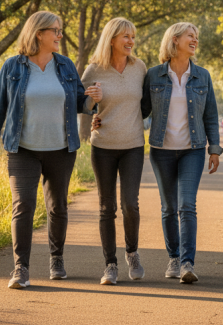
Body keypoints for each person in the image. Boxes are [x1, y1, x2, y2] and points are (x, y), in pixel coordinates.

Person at [0, 11, 102, 289]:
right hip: (22, 149)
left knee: (57, 206)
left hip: (61, 148)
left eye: (61, 30)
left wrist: (92, 100)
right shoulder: (13, 67)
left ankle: (56, 259)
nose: (60, 35)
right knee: (23, 205)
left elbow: (78, 103)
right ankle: (20, 268)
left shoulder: (66, 66)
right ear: (39, 33)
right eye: (55, 31)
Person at [141, 22, 223, 284]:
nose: (195, 40)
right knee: (168, 207)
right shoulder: (154, 75)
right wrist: (103, 116)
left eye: (196, 36)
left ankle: (187, 262)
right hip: (161, 150)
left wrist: (214, 149)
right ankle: (174, 258)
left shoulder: (202, 76)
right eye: (190, 35)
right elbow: (140, 111)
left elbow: (210, 114)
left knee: (187, 205)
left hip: (193, 150)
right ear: (174, 40)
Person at [81, 17, 148, 285]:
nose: (131, 41)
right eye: (126, 37)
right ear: (111, 39)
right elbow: (82, 103)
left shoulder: (139, 67)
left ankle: (132, 253)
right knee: (106, 207)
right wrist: (92, 109)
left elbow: (147, 103)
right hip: (103, 147)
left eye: (133, 36)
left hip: (133, 145)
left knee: (130, 204)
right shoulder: (94, 69)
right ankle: (110, 265)